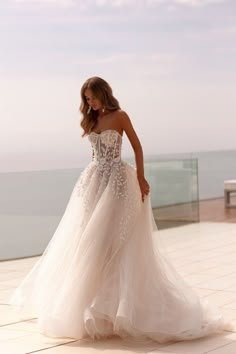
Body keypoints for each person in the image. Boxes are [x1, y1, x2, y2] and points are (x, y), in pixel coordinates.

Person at [8, 76, 232, 344]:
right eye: (85, 99)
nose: (88, 102)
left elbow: (137, 146)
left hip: (118, 183)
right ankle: (93, 305)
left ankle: (119, 309)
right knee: (89, 240)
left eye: (91, 97)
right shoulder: (91, 119)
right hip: (92, 183)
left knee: (114, 241)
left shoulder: (120, 116)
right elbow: (95, 155)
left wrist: (140, 177)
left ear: (103, 93)